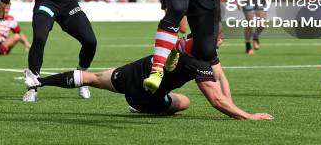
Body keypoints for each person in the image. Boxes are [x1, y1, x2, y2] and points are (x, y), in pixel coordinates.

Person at [23, 40, 273, 121]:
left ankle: (39, 82)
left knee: (92, 78)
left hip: (132, 72)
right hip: (144, 95)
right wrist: (247, 115)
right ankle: (140, 106)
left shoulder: (193, 41)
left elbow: (221, 77)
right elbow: (216, 100)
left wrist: (232, 103)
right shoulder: (198, 60)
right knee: (184, 102)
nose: (221, 41)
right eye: (219, 37)